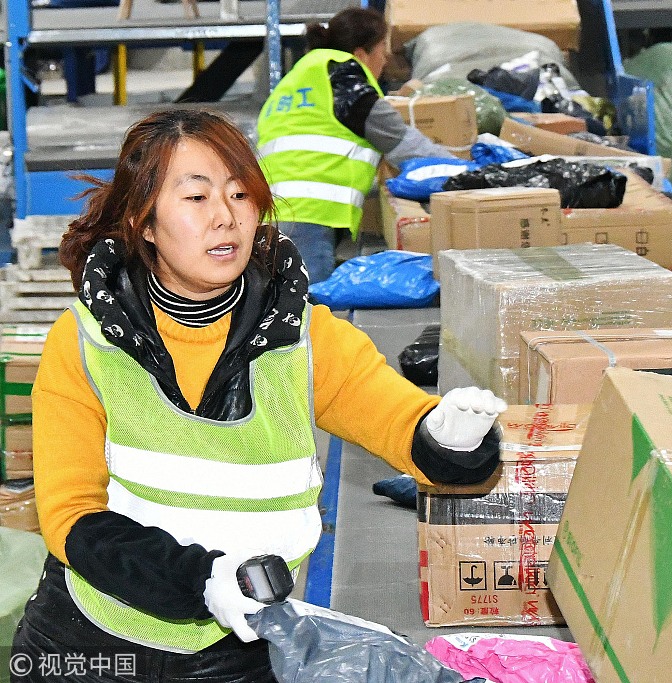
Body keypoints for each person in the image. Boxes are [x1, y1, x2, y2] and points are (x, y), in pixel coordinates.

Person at [11, 108, 505, 682]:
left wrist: (448, 441)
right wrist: (201, 579)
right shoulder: (86, 342)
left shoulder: (303, 337)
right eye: (196, 198)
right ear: (144, 223)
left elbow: (402, 423)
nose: (225, 217)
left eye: (241, 194)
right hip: (92, 643)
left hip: (240, 648)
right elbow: (71, 516)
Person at [257, 7, 456, 284]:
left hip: (271, 211)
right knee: (307, 312)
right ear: (362, 54)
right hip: (308, 217)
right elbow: (406, 145)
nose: (384, 64)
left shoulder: (300, 77)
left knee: (284, 308)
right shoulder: (346, 83)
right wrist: (468, 170)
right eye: (381, 55)